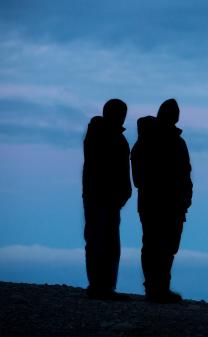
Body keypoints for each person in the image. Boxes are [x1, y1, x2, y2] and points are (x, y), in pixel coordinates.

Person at [131, 98, 193, 303]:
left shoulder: (177, 142)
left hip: (173, 204)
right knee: (154, 245)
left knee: (167, 247)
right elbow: (139, 176)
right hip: (156, 202)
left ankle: (160, 287)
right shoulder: (148, 139)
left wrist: (186, 197)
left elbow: (186, 173)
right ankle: (154, 288)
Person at [82, 98, 132, 300]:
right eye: (119, 113)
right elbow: (102, 169)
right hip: (100, 197)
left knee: (108, 242)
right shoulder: (102, 135)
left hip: (109, 199)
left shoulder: (114, 137)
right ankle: (99, 286)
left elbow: (121, 171)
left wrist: (123, 193)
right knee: (99, 240)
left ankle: (104, 286)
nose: (122, 117)